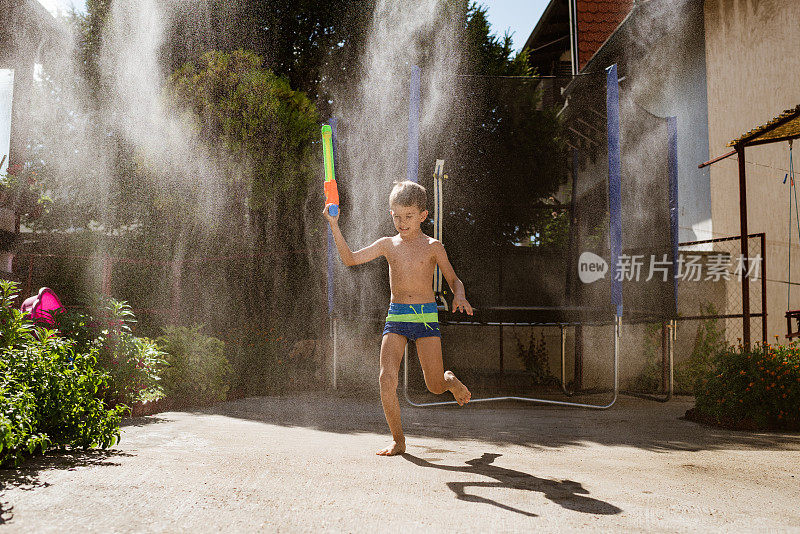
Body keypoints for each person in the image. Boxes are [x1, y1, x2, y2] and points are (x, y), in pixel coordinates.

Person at [323, 180, 472, 456]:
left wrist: (459, 295)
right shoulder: (388, 245)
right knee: (386, 378)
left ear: (422, 215)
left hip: (425, 318)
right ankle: (398, 440)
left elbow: (454, 279)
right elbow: (350, 259)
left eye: (409, 216)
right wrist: (334, 224)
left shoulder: (433, 246)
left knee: (434, 386)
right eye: (397, 216)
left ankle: (449, 380)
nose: (402, 222)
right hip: (397, 316)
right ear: (391, 213)